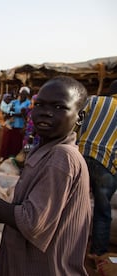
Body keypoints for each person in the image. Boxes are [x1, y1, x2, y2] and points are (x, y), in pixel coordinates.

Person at [0, 76, 91, 275]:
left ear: (80, 117)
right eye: (40, 104)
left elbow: (30, 222)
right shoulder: (43, 150)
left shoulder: (62, 157)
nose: (46, 113)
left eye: (59, 107)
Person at [77, 79, 117, 258]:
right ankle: (96, 253)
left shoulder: (94, 101)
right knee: (102, 209)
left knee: (72, 202)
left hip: (81, 155)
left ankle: (64, 243)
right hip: (108, 163)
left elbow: (75, 122)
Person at [0, 86, 31, 162]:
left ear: (27, 95)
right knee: (6, 141)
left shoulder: (28, 103)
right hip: (10, 125)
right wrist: (9, 114)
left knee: (16, 143)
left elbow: (26, 114)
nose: (22, 95)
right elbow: (6, 110)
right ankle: (3, 155)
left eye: (25, 94)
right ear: (19, 94)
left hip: (20, 126)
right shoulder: (14, 102)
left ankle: (13, 156)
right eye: (21, 93)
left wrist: (15, 114)